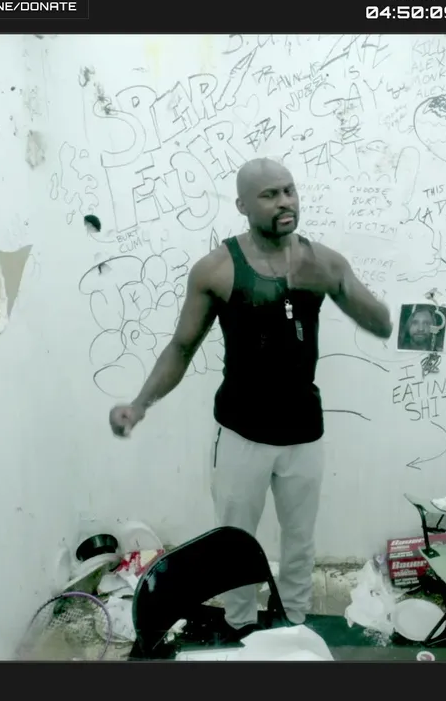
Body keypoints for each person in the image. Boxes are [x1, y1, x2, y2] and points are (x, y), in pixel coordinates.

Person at [108, 158, 393, 637]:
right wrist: (139, 406)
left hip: (303, 432)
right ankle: (240, 625)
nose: (284, 202)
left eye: (289, 190)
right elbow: (181, 347)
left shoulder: (323, 261)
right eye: (269, 195)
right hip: (242, 433)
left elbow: (381, 324)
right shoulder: (217, 270)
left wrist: (338, 285)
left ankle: (294, 624)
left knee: (300, 541)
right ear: (242, 205)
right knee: (235, 544)